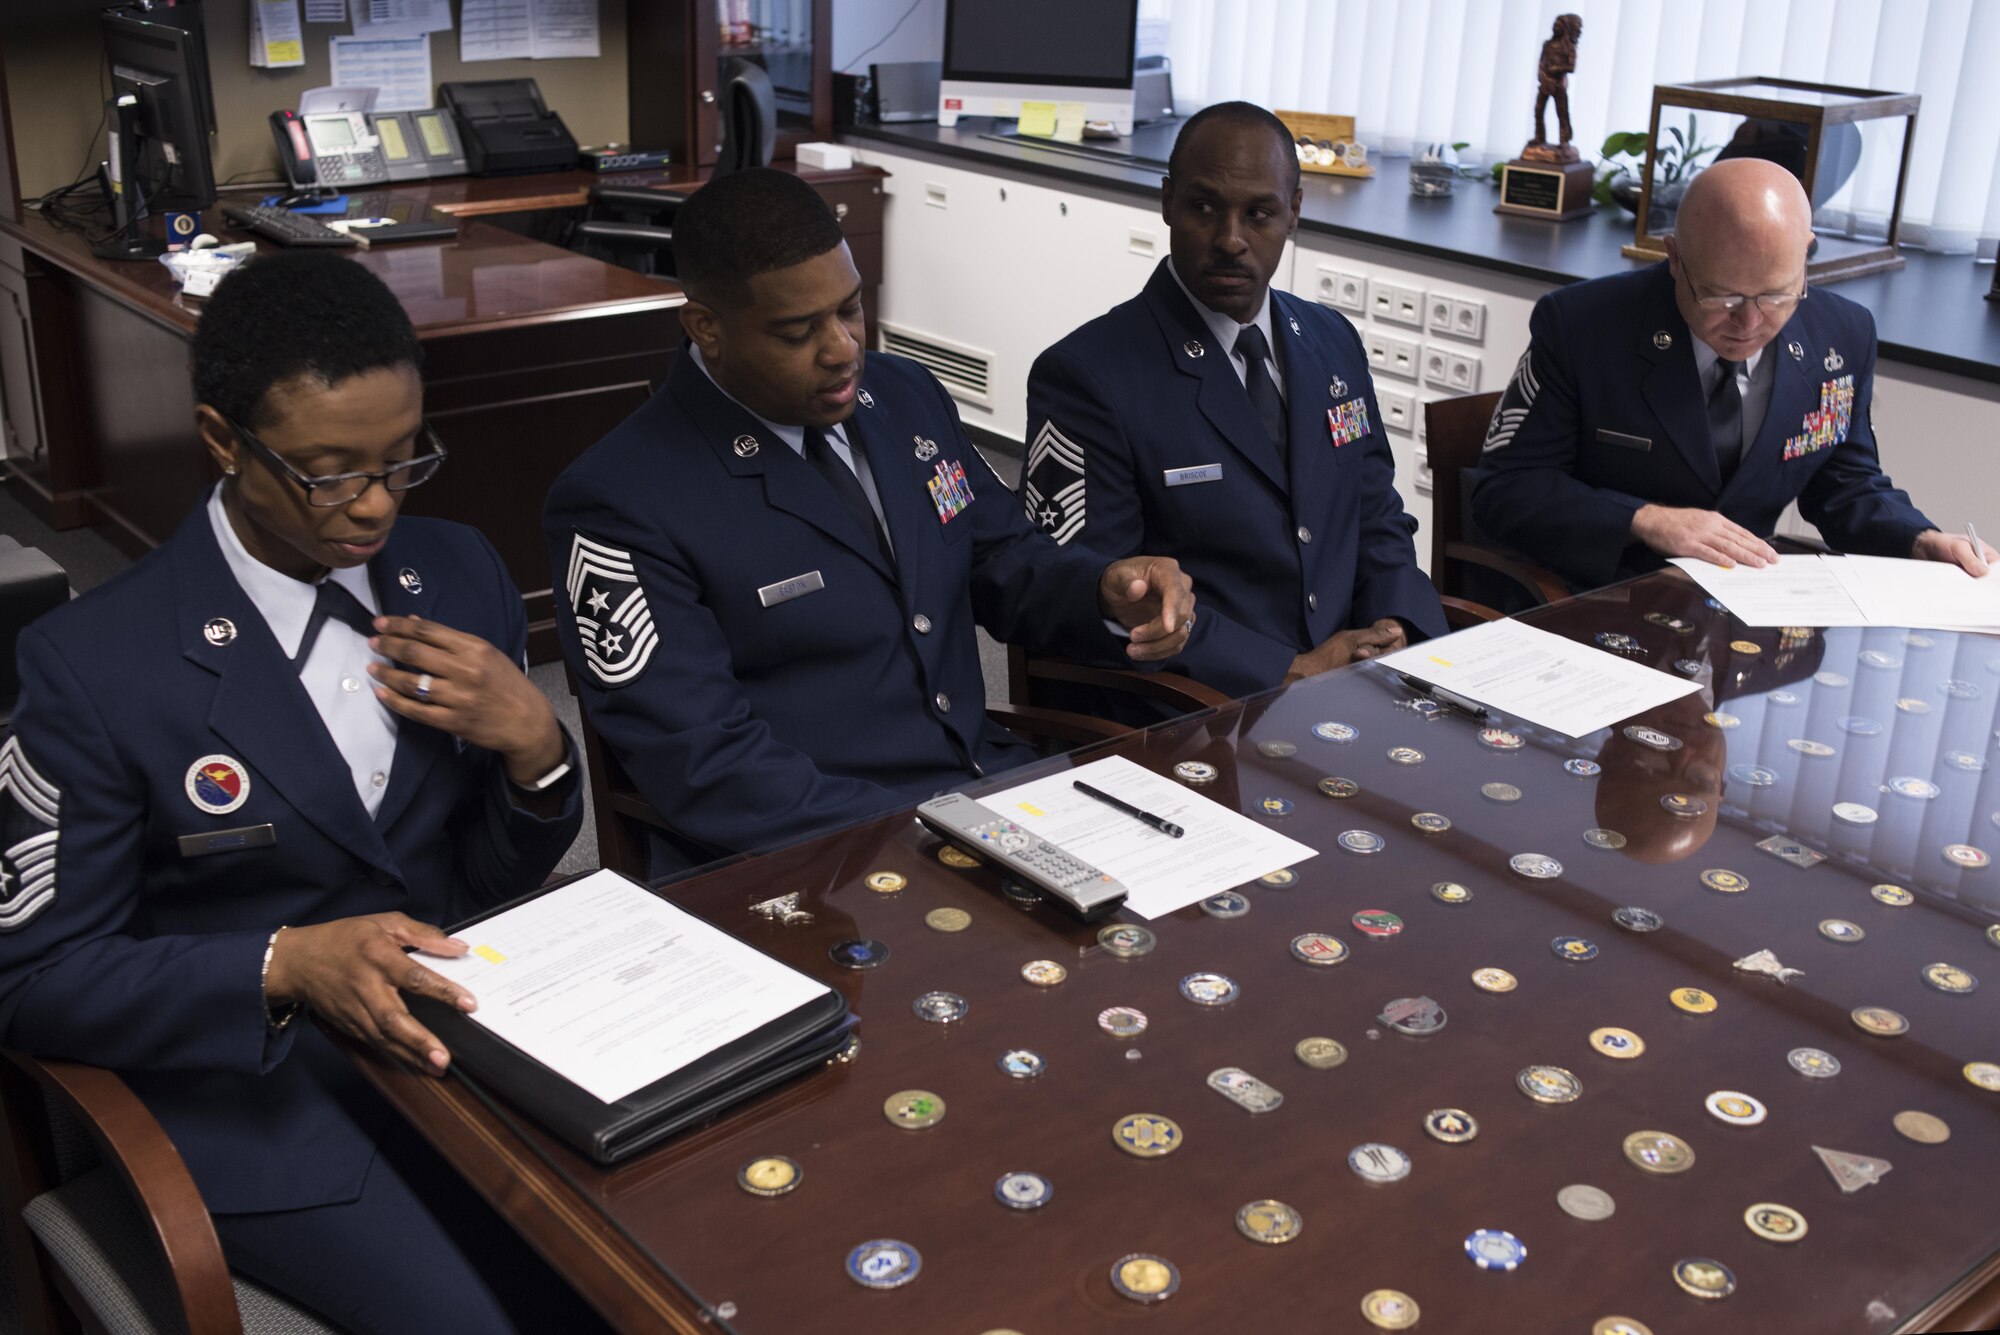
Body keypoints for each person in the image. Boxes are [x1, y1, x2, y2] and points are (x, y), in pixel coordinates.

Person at [0, 251, 597, 1332]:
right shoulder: (93, 665)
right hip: (265, 1103)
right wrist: (277, 965)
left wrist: (535, 750)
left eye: (403, 458)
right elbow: (36, 978)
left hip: (470, 1045)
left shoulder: (458, 572)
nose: (374, 507)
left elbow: (473, 878)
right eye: (329, 472)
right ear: (225, 440)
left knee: (664, 1271)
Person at [543, 168, 1195, 872]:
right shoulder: (621, 500)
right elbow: (709, 765)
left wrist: (1104, 588)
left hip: (983, 791)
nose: (843, 348)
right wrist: (936, 838)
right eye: (798, 331)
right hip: (817, 856)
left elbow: (1002, 557)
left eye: (850, 309)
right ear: (707, 328)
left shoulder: (904, 397)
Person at [1024, 101, 1444, 700]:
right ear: (1167, 202)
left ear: (1294, 212)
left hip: (1355, 683)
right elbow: (1093, 592)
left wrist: (1397, 624)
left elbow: (1373, 517)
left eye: (1259, 213)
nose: (1231, 240)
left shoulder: (1332, 342)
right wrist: (1290, 668)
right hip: (1205, 710)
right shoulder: (1089, 376)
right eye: (1203, 208)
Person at [1472, 157, 1993, 592]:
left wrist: (1919, 539)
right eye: (1721, 297)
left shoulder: (1841, 335)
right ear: (1674, 257)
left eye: (1776, 295)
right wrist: (1646, 519)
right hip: (1596, 594)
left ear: (1806, 252)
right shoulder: (1584, 327)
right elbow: (1507, 491)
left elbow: (1845, 485)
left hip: (1739, 613)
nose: (1748, 323)